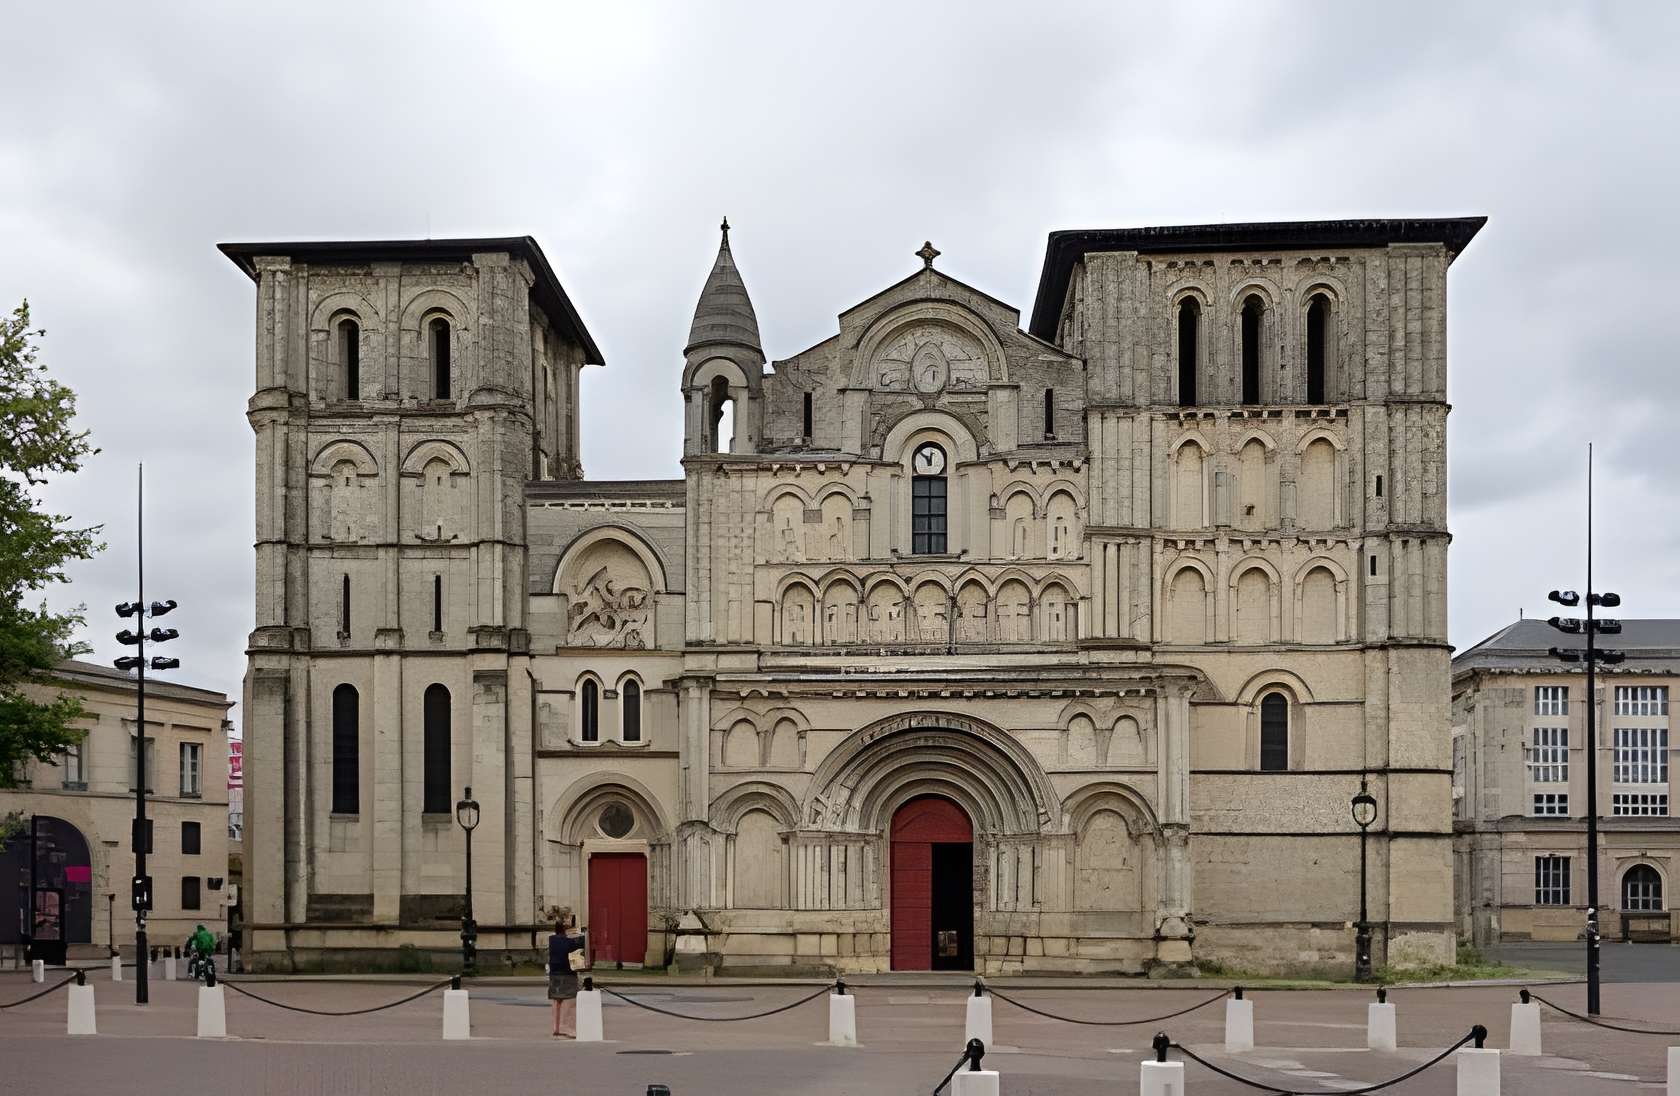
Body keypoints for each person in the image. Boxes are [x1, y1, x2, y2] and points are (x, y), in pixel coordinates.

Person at [547, 911, 586, 1037]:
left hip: (554, 973)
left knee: (557, 1000)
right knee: (570, 1000)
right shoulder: (568, 941)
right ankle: (566, 1027)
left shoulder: (552, 939)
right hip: (566, 973)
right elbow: (577, 946)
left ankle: (556, 1027)